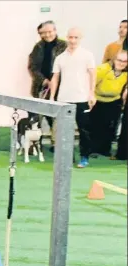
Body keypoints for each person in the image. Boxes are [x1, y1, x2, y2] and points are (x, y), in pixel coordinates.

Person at [49, 27, 96, 168]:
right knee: (64, 131)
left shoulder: (87, 55)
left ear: (80, 39)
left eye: (76, 37)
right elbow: (55, 78)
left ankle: (84, 157)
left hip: (82, 98)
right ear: (67, 38)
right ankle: (67, 158)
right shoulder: (60, 58)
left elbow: (93, 74)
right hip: (64, 99)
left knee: (84, 130)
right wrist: (52, 97)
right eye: (70, 37)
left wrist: (92, 93)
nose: (73, 40)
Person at [28, 21, 67, 146]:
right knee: (35, 117)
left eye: (49, 31)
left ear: (55, 31)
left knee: (55, 118)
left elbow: (66, 67)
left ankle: (56, 144)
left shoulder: (64, 46)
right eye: (43, 33)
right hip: (40, 87)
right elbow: (32, 67)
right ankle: (34, 145)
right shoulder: (38, 47)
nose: (46, 35)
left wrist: (55, 81)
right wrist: (44, 80)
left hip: (59, 88)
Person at [90, 50, 127, 157]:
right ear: (114, 60)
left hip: (114, 101)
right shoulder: (103, 69)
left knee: (110, 126)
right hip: (98, 100)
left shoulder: (126, 72)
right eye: (120, 60)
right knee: (95, 125)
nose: (122, 63)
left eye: (125, 61)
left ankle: (105, 149)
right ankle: (93, 149)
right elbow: (92, 83)